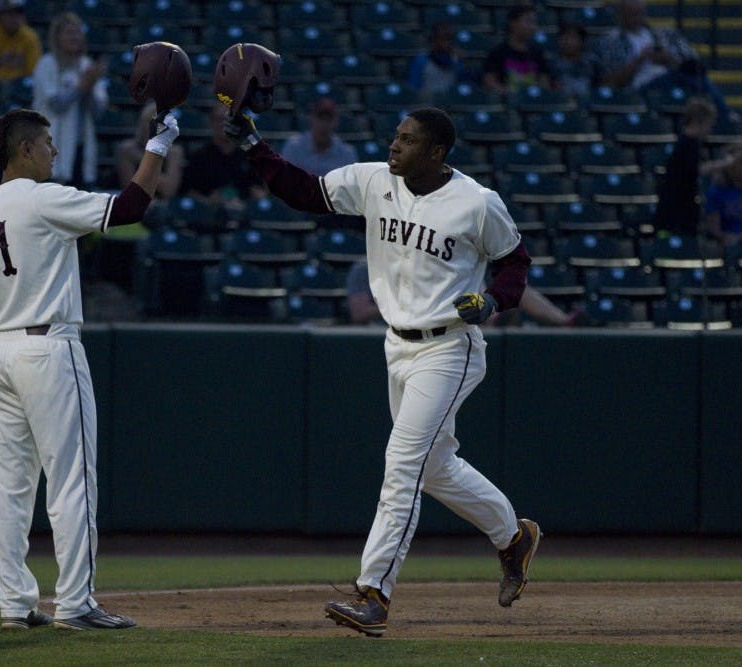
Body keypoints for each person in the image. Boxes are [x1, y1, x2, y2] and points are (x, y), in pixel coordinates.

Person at [224, 105, 541, 636]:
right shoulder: (374, 180)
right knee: (433, 467)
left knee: (401, 464)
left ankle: (374, 593)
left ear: (436, 153)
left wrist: (491, 301)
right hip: (397, 345)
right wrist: (255, 148)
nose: (395, 146)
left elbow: (516, 262)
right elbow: (304, 191)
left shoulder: (477, 203)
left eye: (409, 140)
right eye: (396, 136)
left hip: (449, 347)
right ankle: (513, 537)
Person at [0, 106, 180, 630]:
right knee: (72, 481)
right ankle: (76, 603)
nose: (55, 151)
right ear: (26, 150)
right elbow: (129, 207)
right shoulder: (43, 199)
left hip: (1, 353)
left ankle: (15, 603)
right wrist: (159, 146)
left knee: (8, 487)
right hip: (47, 347)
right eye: (48, 143)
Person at [592, 0, 733, 121]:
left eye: (641, 13)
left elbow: (692, 62)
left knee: (699, 78)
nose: (638, 18)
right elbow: (612, 82)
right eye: (633, 14)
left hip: (674, 77)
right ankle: (727, 116)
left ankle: (726, 117)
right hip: (641, 86)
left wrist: (668, 59)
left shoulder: (665, 34)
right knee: (689, 80)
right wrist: (640, 59)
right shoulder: (610, 42)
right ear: (621, 15)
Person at [347, 259, 585, 327]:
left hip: (444, 318)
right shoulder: (364, 268)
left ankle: (565, 322)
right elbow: (359, 314)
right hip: (396, 331)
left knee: (513, 288)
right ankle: (493, 318)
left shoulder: (422, 263)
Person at [31, 11, 108, 190]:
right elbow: (57, 105)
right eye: (69, 32)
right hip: (52, 142)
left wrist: (88, 88)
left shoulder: (87, 65)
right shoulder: (46, 64)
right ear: (57, 37)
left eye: (77, 32)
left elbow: (98, 113)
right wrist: (82, 86)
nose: (74, 37)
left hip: (82, 144)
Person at [653, 97, 733, 237]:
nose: (709, 130)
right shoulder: (688, 143)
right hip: (675, 211)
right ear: (697, 122)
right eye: (709, 125)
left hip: (682, 206)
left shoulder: (687, 143)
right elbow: (697, 169)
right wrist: (725, 163)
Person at [180, 100, 267, 209]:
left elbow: (259, 191)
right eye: (219, 120)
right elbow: (189, 192)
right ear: (211, 123)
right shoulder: (198, 156)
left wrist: (247, 205)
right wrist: (208, 202)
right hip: (207, 215)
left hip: (243, 213)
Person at [116, 100, 184, 200]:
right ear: (141, 124)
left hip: (163, 205)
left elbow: (168, 190)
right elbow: (130, 190)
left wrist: (142, 160)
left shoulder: (174, 152)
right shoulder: (127, 150)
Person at [480, 4, 553, 95]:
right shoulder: (498, 52)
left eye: (534, 22)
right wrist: (510, 95)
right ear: (513, 23)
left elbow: (544, 81)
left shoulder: (537, 53)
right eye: (528, 21)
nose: (533, 27)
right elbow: (489, 81)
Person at [279, 97, 357, 177]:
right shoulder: (294, 148)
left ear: (336, 122)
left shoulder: (347, 154)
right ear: (311, 119)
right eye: (320, 118)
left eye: (329, 119)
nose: (324, 124)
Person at [406, 22, 475, 104]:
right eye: (443, 38)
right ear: (433, 40)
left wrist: (465, 64)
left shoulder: (457, 60)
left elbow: (466, 86)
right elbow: (413, 88)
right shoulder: (421, 60)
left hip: (452, 105)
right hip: (427, 105)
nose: (447, 43)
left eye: (449, 38)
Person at [553, 22, 602, 101]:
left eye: (572, 37)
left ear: (581, 41)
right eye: (564, 36)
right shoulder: (551, 64)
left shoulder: (592, 63)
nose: (567, 41)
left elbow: (600, 87)